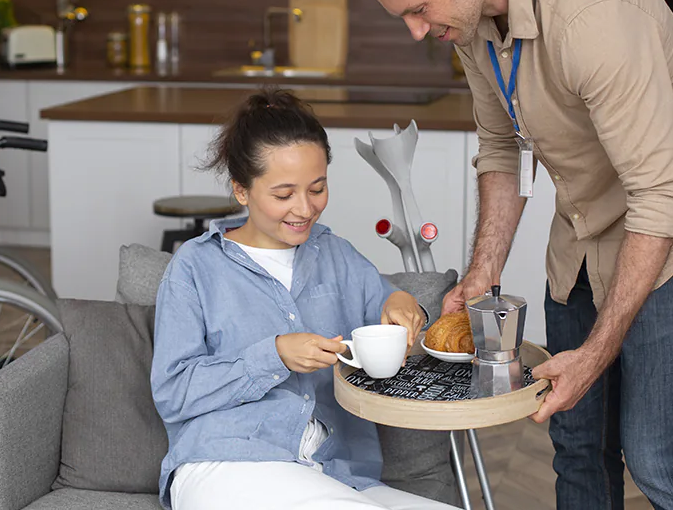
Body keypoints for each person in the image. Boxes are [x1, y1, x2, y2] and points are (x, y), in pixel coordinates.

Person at [348, 0, 673, 509]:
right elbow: (500, 148)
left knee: (658, 456)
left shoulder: (591, 15)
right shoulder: (468, 22)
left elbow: (661, 192)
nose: (416, 30)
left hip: (672, 230)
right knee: (577, 441)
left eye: (417, 9)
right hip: (582, 230)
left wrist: (596, 352)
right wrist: (482, 272)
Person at [149, 88, 459, 510]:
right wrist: (273, 355)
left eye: (317, 188)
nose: (305, 208)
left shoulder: (336, 255)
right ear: (241, 190)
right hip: (226, 461)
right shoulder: (195, 267)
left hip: (336, 472)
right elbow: (173, 392)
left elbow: (384, 305)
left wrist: (405, 302)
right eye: (283, 194)